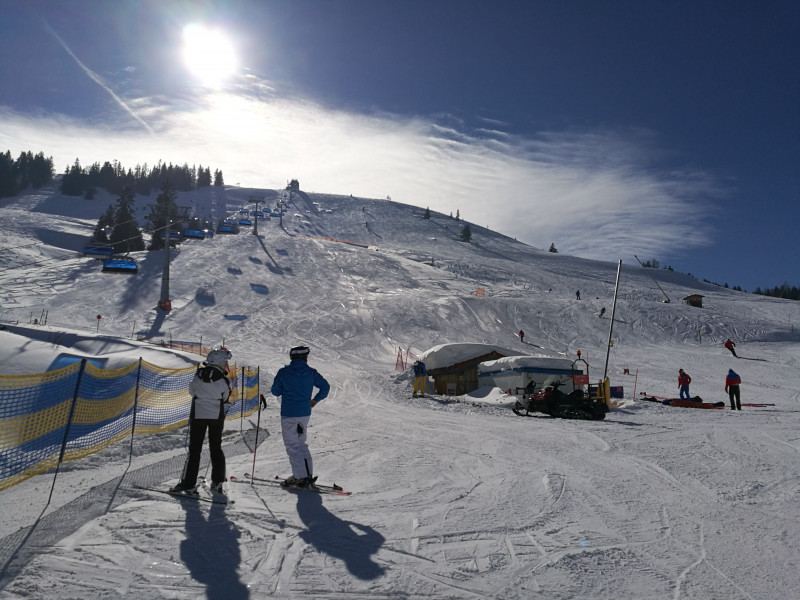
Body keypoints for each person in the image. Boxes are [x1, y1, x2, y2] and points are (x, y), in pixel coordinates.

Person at [171, 348, 232, 494]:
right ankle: (217, 482)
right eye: (225, 362)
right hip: (216, 415)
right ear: (220, 362)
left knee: (194, 449)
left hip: (198, 413)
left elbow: (192, 391)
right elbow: (225, 396)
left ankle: (188, 483)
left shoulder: (198, 374)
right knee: (216, 447)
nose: (226, 365)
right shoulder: (223, 379)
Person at [271, 346, 330, 488]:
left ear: (292, 358)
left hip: (289, 413)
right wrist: (315, 400)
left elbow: (275, 391)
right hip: (304, 413)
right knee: (301, 442)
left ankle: (300, 477)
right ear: (305, 358)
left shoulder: (283, 372)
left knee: (292, 445)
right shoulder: (311, 372)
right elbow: (325, 387)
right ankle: (306, 474)